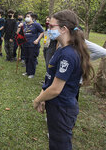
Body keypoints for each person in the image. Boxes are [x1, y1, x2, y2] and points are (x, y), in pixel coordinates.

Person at [33, 10, 95, 150]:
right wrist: (44, 96)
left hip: (62, 108)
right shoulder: (61, 49)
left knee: (60, 146)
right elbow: (50, 78)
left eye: (51, 26)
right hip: (55, 105)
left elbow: (55, 89)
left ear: (63, 29)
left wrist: (37, 99)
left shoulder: (68, 54)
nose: (48, 30)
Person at [18, 12, 44, 78]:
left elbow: (42, 32)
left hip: (33, 45)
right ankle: (27, 71)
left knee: (32, 59)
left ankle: (32, 73)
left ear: (32, 18)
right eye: (26, 16)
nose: (27, 18)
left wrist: (37, 40)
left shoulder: (36, 25)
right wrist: (19, 26)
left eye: (28, 16)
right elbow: (17, 33)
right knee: (26, 58)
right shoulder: (24, 25)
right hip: (25, 44)